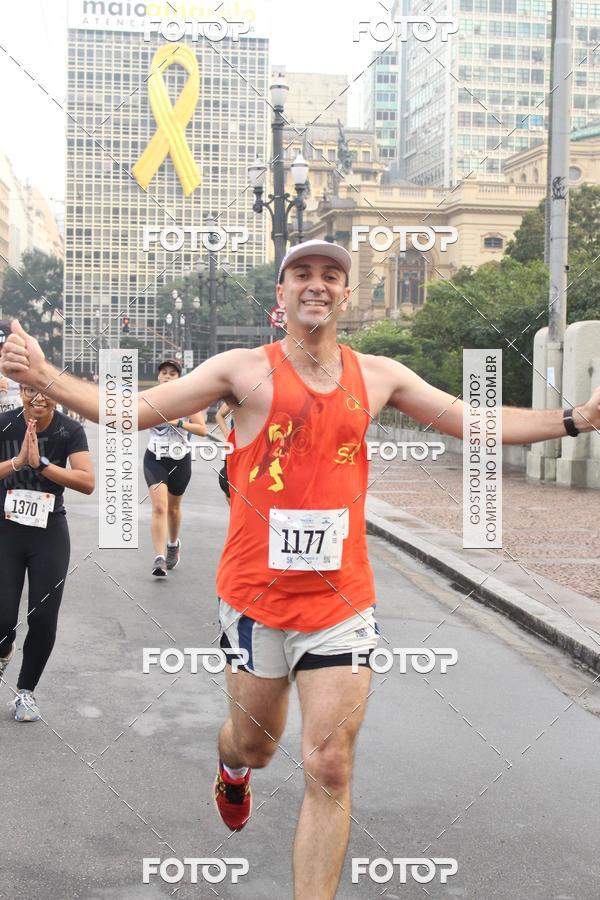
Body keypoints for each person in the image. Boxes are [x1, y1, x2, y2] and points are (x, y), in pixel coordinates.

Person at [2, 239, 599, 898]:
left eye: (331, 276)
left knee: (330, 763)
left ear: (346, 296)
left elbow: (472, 421)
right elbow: (134, 412)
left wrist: (576, 418)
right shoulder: (241, 369)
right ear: (280, 299)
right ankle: (232, 770)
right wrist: (44, 375)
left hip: (342, 603)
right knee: (255, 745)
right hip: (256, 600)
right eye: (302, 275)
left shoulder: (378, 376)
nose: (317, 284)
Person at [0, 385, 94, 722]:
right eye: (30, 391)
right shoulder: (5, 423)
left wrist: (41, 465)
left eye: (46, 392)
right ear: (21, 392)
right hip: (5, 530)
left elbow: (86, 481)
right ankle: (4, 649)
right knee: (2, 618)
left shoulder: (70, 429)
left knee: (42, 617)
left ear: (57, 395)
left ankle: (26, 692)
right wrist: (17, 462)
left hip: (49, 532)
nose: (38, 398)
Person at [143, 358, 207, 576]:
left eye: (172, 373)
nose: (167, 376)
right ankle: (159, 558)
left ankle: (173, 544)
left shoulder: (187, 400)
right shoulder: (148, 398)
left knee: (173, 508)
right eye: (164, 372)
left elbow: (202, 429)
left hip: (180, 459)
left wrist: (177, 422)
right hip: (155, 458)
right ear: (158, 377)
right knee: (159, 507)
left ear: (179, 378)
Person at [215, 401, 233, 504]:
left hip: (258, 451)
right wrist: (229, 436)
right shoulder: (241, 394)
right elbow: (220, 415)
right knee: (228, 488)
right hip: (235, 451)